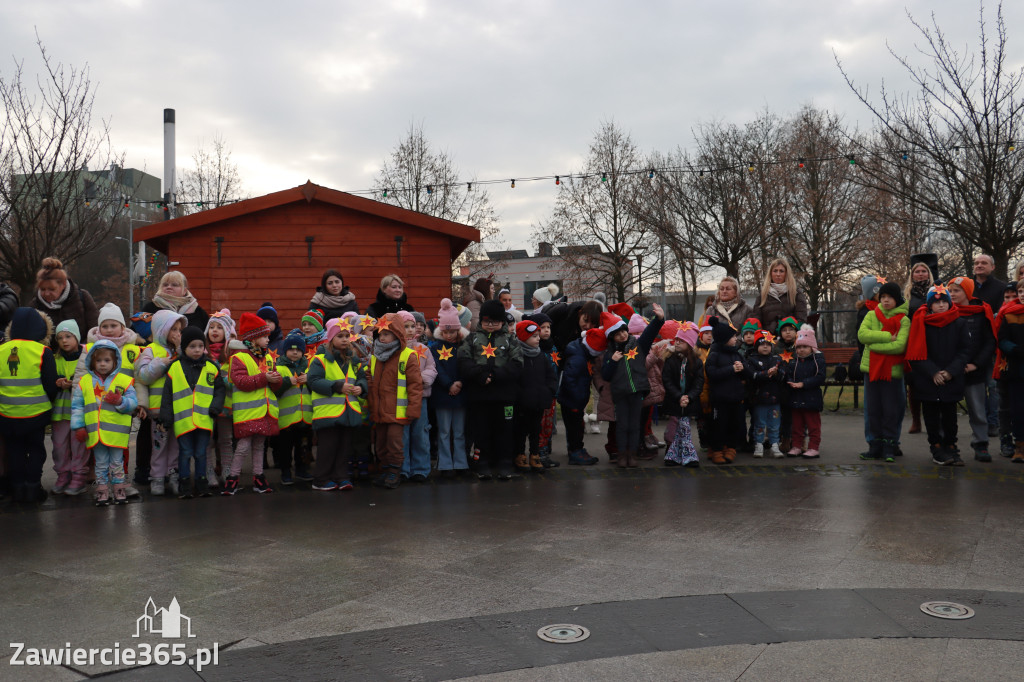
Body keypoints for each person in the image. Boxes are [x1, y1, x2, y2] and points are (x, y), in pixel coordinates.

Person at [458, 299, 524, 480]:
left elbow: (517, 364)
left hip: (504, 395)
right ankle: (482, 463)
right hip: (479, 395)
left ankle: (505, 463)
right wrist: (479, 375)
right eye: (487, 321)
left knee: (505, 431)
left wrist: (495, 375)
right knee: (481, 431)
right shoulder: (472, 339)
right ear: (481, 320)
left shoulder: (510, 340)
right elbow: (463, 361)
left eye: (495, 321)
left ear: (502, 322)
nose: (491, 325)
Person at [906, 286, 971, 466]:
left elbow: (965, 351)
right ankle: (936, 447)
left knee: (950, 416)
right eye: (936, 302)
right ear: (929, 305)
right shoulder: (921, 323)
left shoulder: (959, 323)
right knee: (931, 416)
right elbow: (915, 353)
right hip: (928, 379)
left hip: (951, 378)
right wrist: (932, 371)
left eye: (944, 301)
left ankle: (951, 446)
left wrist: (951, 371)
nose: (941, 305)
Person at [160, 327, 226, 498]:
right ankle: (185, 485)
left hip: (204, 419)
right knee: (185, 453)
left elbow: (220, 390)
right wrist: (166, 418)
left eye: (200, 346)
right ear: (184, 348)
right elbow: (167, 395)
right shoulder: (175, 368)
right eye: (192, 346)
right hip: (183, 421)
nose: (197, 350)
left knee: (201, 453)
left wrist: (216, 407)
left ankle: (201, 483)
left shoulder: (212, 367)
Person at [0, 308, 58, 502]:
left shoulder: (1, 350)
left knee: (14, 452)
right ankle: (33, 489)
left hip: (7, 414)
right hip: (36, 414)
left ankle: (17, 490)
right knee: (36, 450)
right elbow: (50, 385)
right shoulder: (42, 351)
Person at [71, 340, 137, 506]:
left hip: (117, 434)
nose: (102, 364)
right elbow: (77, 406)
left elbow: (133, 403)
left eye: (107, 360)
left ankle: (119, 490)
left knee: (117, 463)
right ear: (92, 362)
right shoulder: (84, 382)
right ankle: (102, 491)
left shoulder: (124, 380)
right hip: (96, 433)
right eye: (98, 360)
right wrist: (79, 427)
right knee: (100, 464)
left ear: (115, 361)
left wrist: (121, 401)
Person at [601, 302, 666, 467]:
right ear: (611, 337)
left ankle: (632, 454)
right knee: (622, 426)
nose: (622, 335)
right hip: (621, 394)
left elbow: (649, 334)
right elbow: (606, 375)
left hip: (637, 391)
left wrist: (658, 319)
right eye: (617, 334)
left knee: (635, 425)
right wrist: (613, 361)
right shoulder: (610, 353)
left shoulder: (638, 345)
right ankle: (623, 455)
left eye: (623, 331)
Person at [226, 312, 283, 495]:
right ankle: (233, 478)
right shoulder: (238, 358)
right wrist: (265, 378)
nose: (268, 339)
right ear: (253, 338)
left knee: (260, 446)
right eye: (264, 336)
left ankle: (259, 477)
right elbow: (241, 381)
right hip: (248, 413)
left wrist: (276, 380)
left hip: (264, 411)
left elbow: (274, 385)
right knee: (243, 447)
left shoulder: (268, 357)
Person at [308, 318, 367, 491]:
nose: (344, 339)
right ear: (331, 338)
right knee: (328, 448)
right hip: (328, 412)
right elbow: (313, 381)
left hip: (348, 411)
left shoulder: (353, 360)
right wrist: (337, 386)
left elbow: (362, 378)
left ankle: (341, 477)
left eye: (347, 336)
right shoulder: (320, 360)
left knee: (344, 448)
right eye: (340, 336)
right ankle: (320, 479)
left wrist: (361, 387)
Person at [367, 313, 423, 489]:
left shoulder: (407, 355)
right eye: (380, 334)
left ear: (397, 334)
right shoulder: (375, 356)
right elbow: (370, 379)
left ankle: (394, 472)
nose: (382, 338)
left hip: (397, 411)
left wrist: (413, 409)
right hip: (379, 410)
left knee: (394, 443)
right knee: (381, 443)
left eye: (386, 334)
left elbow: (415, 385)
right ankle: (385, 470)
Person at [134, 309, 186, 496]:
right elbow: (142, 375)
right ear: (162, 329)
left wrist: (180, 350)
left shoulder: (181, 350)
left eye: (180, 330)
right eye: (173, 329)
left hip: (179, 407)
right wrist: (162, 362)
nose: (178, 334)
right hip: (158, 410)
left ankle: (173, 475)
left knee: (176, 446)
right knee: (159, 446)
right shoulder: (151, 350)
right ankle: (157, 477)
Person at [858, 282, 910, 463]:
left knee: (891, 410)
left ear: (897, 300)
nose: (886, 300)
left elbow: (900, 346)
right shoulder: (872, 314)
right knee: (873, 409)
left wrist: (874, 346)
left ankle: (890, 445)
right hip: (871, 369)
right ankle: (875, 445)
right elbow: (862, 335)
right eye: (883, 297)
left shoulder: (904, 320)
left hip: (892, 371)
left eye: (890, 297)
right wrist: (887, 336)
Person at [948, 277, 996, 462]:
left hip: (974, 370)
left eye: (957, 290)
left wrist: (976, 364)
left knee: (977, 410)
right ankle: (947, 445)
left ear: (967, 293)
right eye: (950, 291)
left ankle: (980, 443)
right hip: (952, 371)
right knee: (947, 411)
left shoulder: (981, 313)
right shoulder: (945, 312)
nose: (952, 294)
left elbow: (989, 342)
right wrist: (953, 367)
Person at [556, 323, 606, 466]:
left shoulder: (581, 352)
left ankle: (577, 449)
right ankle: (575, 452)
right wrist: (576, 400)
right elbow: (569, 380)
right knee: (575, 429)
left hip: (575, 400)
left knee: (578, 427)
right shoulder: (578, 359)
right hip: (572, 401)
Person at [431, 299, 469, 478]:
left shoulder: (464, 347)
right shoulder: (435, 348)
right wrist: (449, 384)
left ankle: (461, 463)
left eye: (452, 331)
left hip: (461, 394)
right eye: (445, 331)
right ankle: (445, 464)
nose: (448, 335)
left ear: (458, 330)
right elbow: (437, 369)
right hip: (443, 394)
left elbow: (467, 366)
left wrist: (460, 382)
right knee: (444, 431)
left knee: (459, 431)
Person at [704, 317, 750, 465]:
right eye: (733, 336)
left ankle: (731, 448)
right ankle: (717, 450)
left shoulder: (737, 354)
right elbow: (712, 373)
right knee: (718, 426)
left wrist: (743, 369)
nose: (736, 339)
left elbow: (747, 373)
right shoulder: (714, 354)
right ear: (724, 339)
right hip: (720, 399)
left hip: (736, 398)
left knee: (734, 424)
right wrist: (731, 369)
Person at [50, 320, 89, 496]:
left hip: (79, 411)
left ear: (77, 337)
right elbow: (49, 378)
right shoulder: (55, 358)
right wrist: (57, 382)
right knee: (59, 446)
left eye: (68, 336)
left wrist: (75, 383)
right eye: (60, 338)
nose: (64, 341)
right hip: (60, 411)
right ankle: (63, 475)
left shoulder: (86, 356)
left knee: (79, 445)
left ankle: (79, 477)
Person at [397, 311, 436, 482]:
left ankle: (420, 468)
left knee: (420, 433)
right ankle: (403, 469)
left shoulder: (423, 349)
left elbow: (431, 368)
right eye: (406, 326)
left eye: (413, 326)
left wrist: (420, 380)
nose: (411, 330)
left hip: (420, 396)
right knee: (402, 435)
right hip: (400, 398)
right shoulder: (395, 350)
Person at [513, 320, 557, 473]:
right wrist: (519, 395)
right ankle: (520, 454)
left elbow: (551, 376)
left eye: (538, 336)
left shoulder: (541, 356)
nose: (538, 338)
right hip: (523, 403)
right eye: (534, 336)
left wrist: (549, 391)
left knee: (535, 430)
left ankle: (534, 454)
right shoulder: (517, 356)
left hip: (539, 401)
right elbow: (514, 378)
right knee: (521, 430)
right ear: (523, 338)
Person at [30, 257, 98, 350]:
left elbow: (95, 331)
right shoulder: (35, 306)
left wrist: (81, 351)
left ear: (63, 285)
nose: (46, 293)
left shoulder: (83, 297)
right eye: (42, 289)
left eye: (51, 289)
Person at [662, 324, 704, 467]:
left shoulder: (697, 362)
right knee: (677, 427)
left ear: (690, 344)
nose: (677, 343)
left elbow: (698, 383)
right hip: (674, 401)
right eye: (676, 340)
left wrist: (688, 397)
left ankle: (680, 455)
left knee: (684, 426)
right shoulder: (670, 360)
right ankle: (679, 454)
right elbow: (667, 380)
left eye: (682, 340)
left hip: (689, 402)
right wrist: (679, 396)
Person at [973, 254, 1005, 441]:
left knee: (993, 387)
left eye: (984, 263)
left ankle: (993, 422)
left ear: (992, 267)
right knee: (977, 388)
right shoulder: (967, 287)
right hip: (972, 346)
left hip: (993, 344)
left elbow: (1001, 314)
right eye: (977, 263)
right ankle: (981, 421)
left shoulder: (1001, 288)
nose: (979, 265)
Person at [275, 331, 314, 485]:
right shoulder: (279, 368)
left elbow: (316, 388)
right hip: (286, 419)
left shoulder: (309, 368)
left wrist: (309, 380)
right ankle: (285, 471)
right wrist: (286, 382)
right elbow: (275, 391)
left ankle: (302, 469)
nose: (295, 352)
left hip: (305, 417)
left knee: (303, 446)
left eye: (298, 349)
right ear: (285, 351)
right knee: (285, 447)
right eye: (291, 349)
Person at [904, 255, 937, 434]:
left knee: (933, 379)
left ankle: (935, 419)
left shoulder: (936, 291)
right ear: (912, 275)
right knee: (914, 383)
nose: (921, 274)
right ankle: (916, 420)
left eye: (924, 271)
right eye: (917, 271)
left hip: (934, 340)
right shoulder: (907, 295)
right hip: (914, 341)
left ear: (929, 274)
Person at [204, 309, 236, 486]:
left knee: (226, 439)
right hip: (207, 404)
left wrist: (223, 379)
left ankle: (227, 470)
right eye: (211, 327)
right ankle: (209, 471)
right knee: (207, 440)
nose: (214, 331)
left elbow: (234, 380)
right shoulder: (202, 353)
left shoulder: (231, 355)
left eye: (219, 327)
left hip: (226, 404)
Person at [785, 325, 827, 458]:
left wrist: (803, 384)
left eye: (804, 347)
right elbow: (789, 374)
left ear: (812, 347)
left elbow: (820, 377)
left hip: (811, 399)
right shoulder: (794, 361)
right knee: (797, 425)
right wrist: (790, 381)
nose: (801, 350)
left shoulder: (818, 360)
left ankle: (814, 447)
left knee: (813, 425)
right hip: (796, 398)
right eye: (798, 347)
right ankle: (796, 446)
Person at [745, 330, 784, 458]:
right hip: (759, 399)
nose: (765, 347)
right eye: (762, 344)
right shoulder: (752, 360)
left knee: (774, 424)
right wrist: (766, 373)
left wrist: (777, 373)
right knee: (759, 423)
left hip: (775, 399)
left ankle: (774, 444)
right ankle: (758, 444)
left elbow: (783, 376)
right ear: (757, 346)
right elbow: (752, 375)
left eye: (768, 344)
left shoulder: (777, 359)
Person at [752, 257, 809, 332]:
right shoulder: (762, 295)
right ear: (771, 273)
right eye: (775, 271)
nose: (778, 274)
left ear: (786, 274)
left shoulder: (796, 294)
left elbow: (801, 320)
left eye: (781, 271)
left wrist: (787, 333)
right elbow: (756, 321)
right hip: (767, 337)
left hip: (790, 336)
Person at [143, 270, 209, 331]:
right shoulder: (151, 308)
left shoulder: (197, 311)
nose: (169, 287)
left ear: (184, 291)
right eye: (165, 285)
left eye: (174, 285)